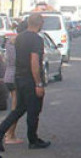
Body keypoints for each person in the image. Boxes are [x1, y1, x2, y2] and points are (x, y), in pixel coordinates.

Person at [0, 13, 51, 150]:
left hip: (19, 76)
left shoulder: (19, 38)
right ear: (40, 24)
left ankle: (1, 132)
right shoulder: (36, 40)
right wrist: (38, 83)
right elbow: (34, 61)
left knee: (19, 109)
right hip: (30, 79)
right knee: (33, 110)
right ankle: (33, 140)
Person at [2, 29, 22, 145]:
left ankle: (10, 134)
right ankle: (9, 134)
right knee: (16, 108)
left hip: (8, 76)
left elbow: (6, 59)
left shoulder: (9, 42)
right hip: (14, 77)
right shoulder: (17, 43)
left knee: (16, 107)